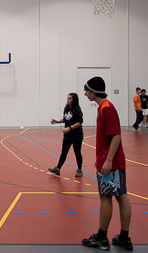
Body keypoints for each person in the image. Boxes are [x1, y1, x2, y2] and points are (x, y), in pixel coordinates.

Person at [81, 76, 133, 251]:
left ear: (94, 91)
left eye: (87, 90)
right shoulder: (103, 107)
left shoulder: (106, 108)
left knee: (107, 197)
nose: (85, 93)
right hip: (110, 161)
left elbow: (116, 135)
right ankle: (124, 238)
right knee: (120, 196)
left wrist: (108, 160)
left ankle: (102, 238)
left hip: (111, 163)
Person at [48, 93, 84, 177]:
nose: (68, 100)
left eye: (70, 98)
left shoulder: (78, 110)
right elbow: (66, 119)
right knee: (64, 152)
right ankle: (58, 168)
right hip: (68, 136)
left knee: (77, 152)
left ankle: (79, 169)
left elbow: (79, 122)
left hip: (77, 136)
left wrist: (69, 128)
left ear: (74, 100)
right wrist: (58, 121)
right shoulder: (66, 108)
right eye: (67, 98)